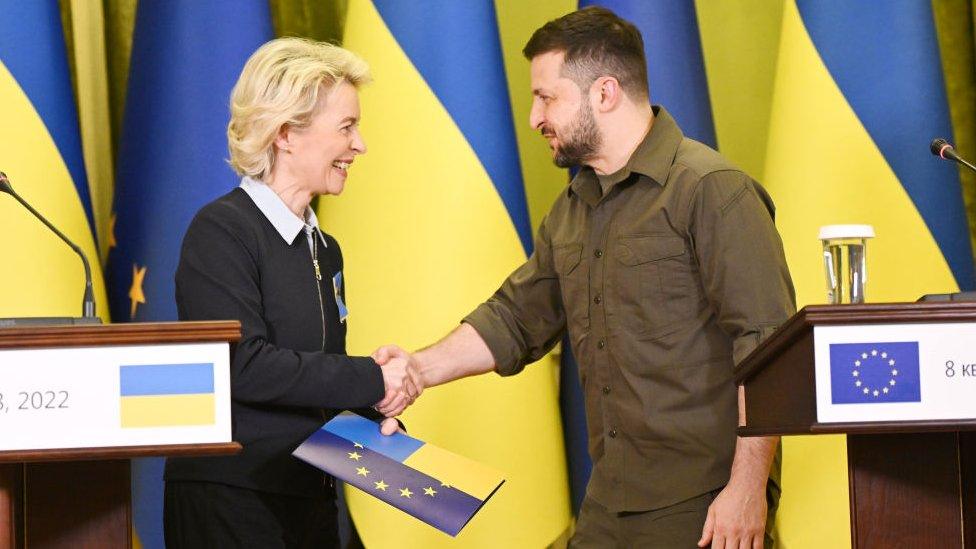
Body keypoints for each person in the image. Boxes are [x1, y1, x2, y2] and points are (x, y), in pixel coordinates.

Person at [375, 7, 795, 548]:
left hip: (704, 505)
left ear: (604, 93)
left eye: (547, 97)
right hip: (608, 502)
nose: (534, 117)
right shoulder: (572, 208)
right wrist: (417, 369)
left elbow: (768, 351)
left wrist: (747, 489)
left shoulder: (711, 190)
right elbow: (514, 319)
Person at [164, 37, 415, 548]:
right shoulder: (222, 231)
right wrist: (371, 377)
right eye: (347, 127)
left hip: (309, 493)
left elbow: (314, 378)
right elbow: (244, 366)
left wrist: (379, 414)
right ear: (286, 134)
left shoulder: (326, 248)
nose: (360, 145)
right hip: (233, 502)